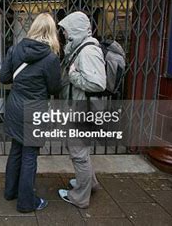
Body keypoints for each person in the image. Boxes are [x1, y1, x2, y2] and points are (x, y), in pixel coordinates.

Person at [0, 13, 62, 213]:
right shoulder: (51, 58)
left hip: (15, 106)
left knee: (16, 149)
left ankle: (10, 191)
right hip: (35, 110)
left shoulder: (15, 49)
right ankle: (27, 203)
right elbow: (54, 89)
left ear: (33, 28)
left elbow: (4, 77)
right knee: (29, 155)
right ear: (52, 32)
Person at [57, 11, 107, 208]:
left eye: (66, 30)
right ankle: (89, 183)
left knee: (78, 153)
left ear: (75, 30)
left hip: (83, 110)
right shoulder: (81, 48)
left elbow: (98, 84)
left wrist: (73, 76)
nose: (63, 34)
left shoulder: (88, 51)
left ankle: (80, 197)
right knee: (80, 150)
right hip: (80, 108)